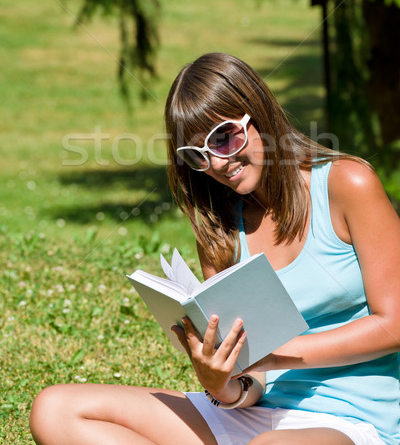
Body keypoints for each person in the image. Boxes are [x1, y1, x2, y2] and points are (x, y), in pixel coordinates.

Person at [30, 52, 400, 445]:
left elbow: (393, 325)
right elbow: (251, 382)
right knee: (55, 409)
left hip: (353, 420)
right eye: (197, 155)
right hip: (259, 417)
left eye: (224, 136)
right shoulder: (221, 227)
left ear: (258, 113)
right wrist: (223, 383)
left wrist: (276, 352)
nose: (218, 162)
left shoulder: (346, 184)